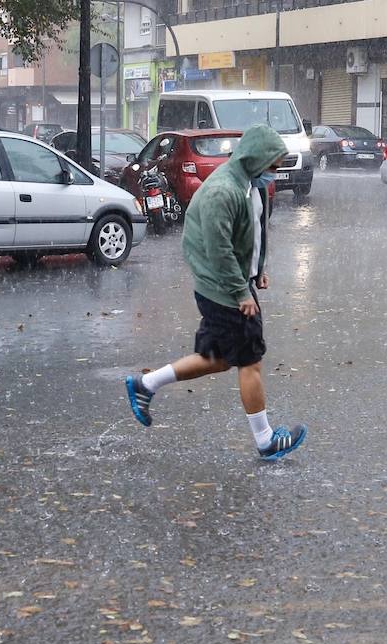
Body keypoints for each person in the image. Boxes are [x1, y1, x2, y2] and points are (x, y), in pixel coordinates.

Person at [125, 124, 307, 461]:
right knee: (250, 361)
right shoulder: (224, 191)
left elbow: (253, 232)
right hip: (224, 290)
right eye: (273, 166)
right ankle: (266, 440)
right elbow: (218, 248)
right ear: (257, 160)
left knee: (217, 358)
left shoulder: (248, 185)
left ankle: (144, 385)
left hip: (231, 283)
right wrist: (241, 292)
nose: (275, 174)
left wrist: (258, 270)